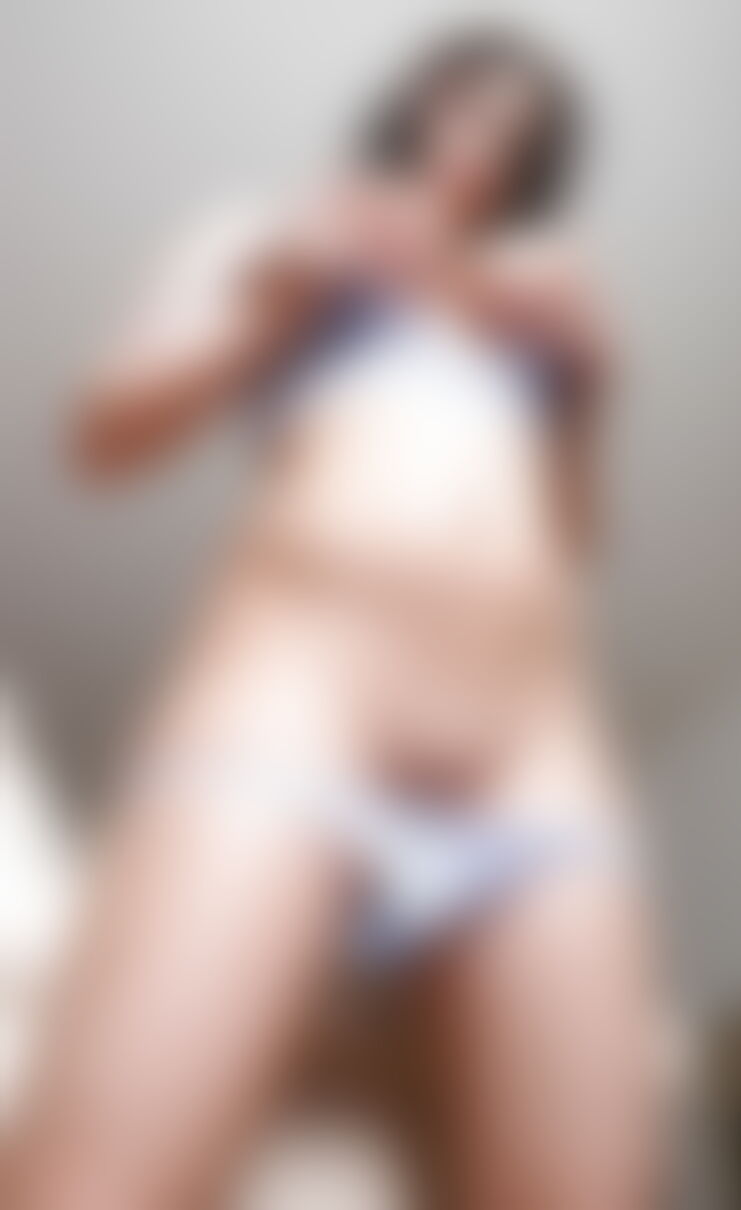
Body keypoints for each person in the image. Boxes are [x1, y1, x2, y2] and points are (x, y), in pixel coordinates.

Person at [8, 28, 665, 1210]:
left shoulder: (543, 297)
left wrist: (591, 391)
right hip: (290, 718)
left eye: (523, 126)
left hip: (537, 766)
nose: (489, 135)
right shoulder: (275, 229)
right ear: (417, 101)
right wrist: (280, 297)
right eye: (472, 100)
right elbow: (101, 438)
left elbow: (574, 547)